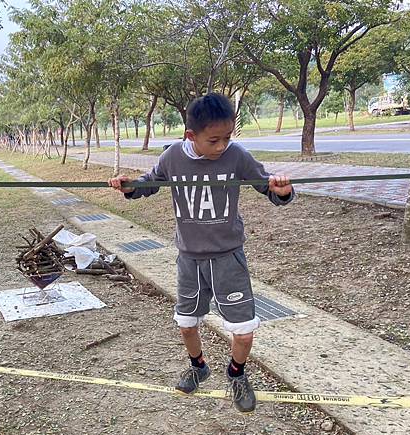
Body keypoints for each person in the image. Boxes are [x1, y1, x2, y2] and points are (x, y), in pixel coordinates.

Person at [108, 93, 294, 412]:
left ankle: (236, 373)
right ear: (190, 136)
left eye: (227, 138)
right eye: (214, 140)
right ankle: (199, 367)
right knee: (187, 323)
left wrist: (282, 190)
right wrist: (128, 186)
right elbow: (149, 184)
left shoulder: (236, 156)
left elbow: (267, 186)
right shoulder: (172, 158)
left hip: (228, 258)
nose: (221, 146)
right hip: (189, 259)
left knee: (244, 332)